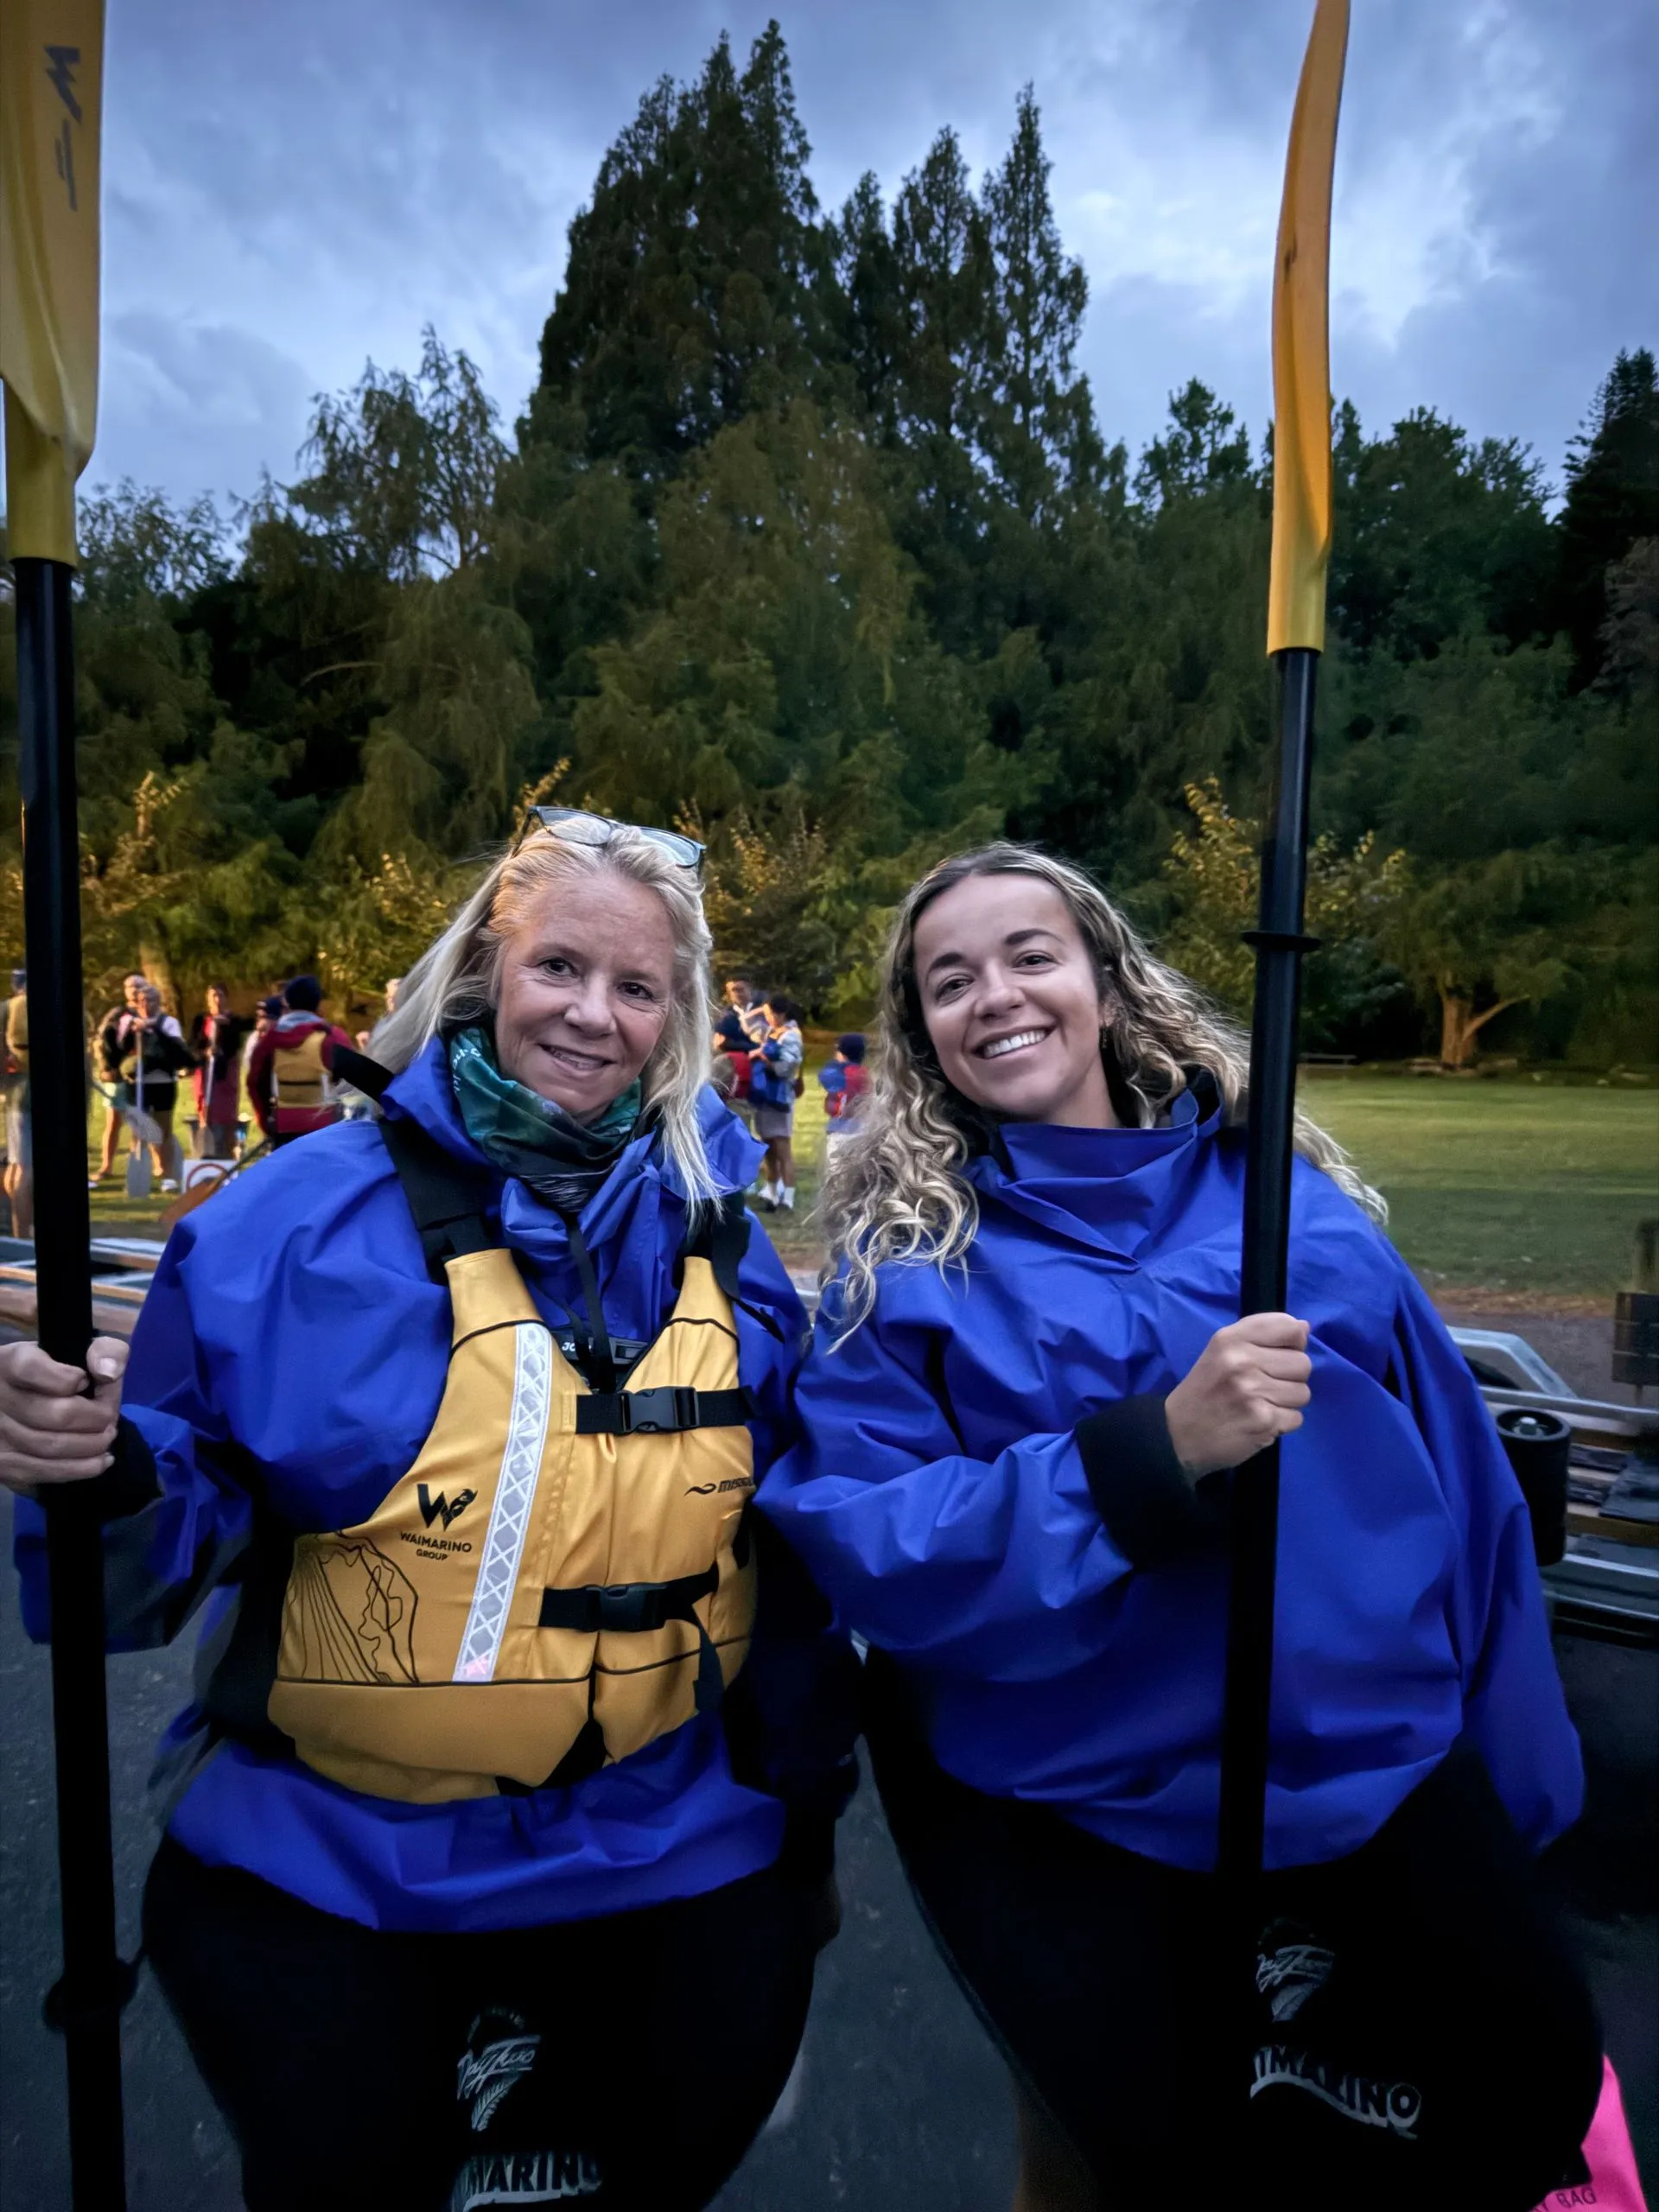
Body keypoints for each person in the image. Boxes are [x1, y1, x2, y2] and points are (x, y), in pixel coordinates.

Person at [2, 809, 856, 2212]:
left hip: (669, 1840)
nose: (594, 1015)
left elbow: (803, 1537)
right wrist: (95, 1471)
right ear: (483, 977)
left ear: (681, 1019)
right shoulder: (289, 1225)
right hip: (335, 1855)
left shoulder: (729, 1241)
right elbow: (133, 1576)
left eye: (639, 989)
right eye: (560, 970)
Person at [761, 843, 1597, 2209]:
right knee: (1129, 2171)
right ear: (923, 1034)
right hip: (1079, 1826)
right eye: (949, 979)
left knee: (1454, 2141)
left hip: (1369, 1789)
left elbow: (1472, 1506)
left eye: (1031, 954)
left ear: (1102, 977)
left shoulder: (1293, 1214)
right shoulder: (911, 1269)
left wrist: (1515, 1796)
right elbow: (866, 1536)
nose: (997, 996)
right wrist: (1147, 1458)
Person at [99, 982, 194, 1191]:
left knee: (163, 1131)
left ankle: (168, 1176)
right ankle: (139, 1178)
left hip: (163, 1082)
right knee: (139, 1130)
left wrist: (152, 1029)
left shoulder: (169, 1023)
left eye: (150, 1000)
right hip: (136, 1083)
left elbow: (177, 1049)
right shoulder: (127, 1021)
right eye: (142, 1000)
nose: (145, 1004)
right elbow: (118, 1048)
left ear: (158, 1002)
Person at [245, 976, 355, 1147]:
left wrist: (266, 1122)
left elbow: (255, 1084)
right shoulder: (333, 1037)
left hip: (284, 1126)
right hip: (325, 1127)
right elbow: (352, 1083)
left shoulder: (268, 1041)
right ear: (318, 1003)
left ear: (286, 1003)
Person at [90, 972, 149, 1185]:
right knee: (113, 1122)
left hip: (144, 1077)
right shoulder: (117, 1014)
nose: (134, 990)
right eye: (130, 986)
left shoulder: (151, 1014)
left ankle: (137, 1166)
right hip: (118, 1076)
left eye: (139, 986)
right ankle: (107, 1166)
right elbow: (101, 1041)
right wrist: (106, 1067)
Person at [747, 993, 804, 1213]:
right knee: (769, 1150)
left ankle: (788, 1197)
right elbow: (747, 1024)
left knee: (783, 1150)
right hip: (765, 1097)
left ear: (780, 1014)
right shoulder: (772, 1031)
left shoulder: (791, 1035)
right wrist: (760, 1010)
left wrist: (764, 1058)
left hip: (779, 1099)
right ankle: (771, 1192)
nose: (767, 1018)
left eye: (770, 1014)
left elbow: (785, 1068)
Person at [188, 986, 249, 1160]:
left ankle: (228, 1153)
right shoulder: (200, 1020)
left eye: (220, 996)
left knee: (227, 1114)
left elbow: (235, 1045)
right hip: (206, 1073)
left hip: (226, 1073)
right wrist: (205, 1052)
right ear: (208, 999)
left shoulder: (233, 1021)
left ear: (226, 998)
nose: (217, 1000)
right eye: (213, 996)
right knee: (206, 1111)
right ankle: (207, 1152)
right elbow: (193, 1045)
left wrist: (224, 1029)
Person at [3, 969, 30, 1240]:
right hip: (30, 1091)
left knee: (15, 1164)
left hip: (14, 1090)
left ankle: (18, 1231)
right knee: (25, 1167)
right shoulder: (23, 1007)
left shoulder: (6, 1007)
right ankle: (23, 1234)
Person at [817, 1032, 868, 1139]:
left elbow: (823, 1076)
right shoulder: (864, 1072)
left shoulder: (841, 1072)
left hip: (841, 1126)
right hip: (862, 1125)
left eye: (838, 1050)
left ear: (844, 1054)